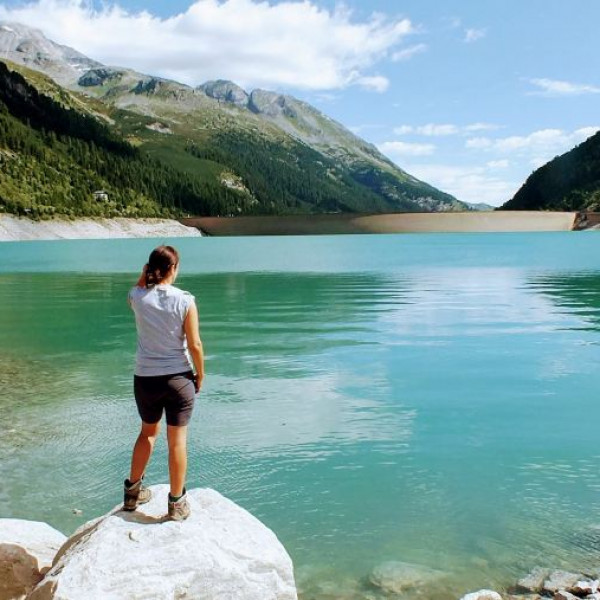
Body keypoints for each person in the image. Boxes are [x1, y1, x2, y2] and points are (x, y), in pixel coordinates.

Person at [123, 245, 204, 521]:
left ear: (149, 268)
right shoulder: (185, 300)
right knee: (177, 441)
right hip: (178, 379)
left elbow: (136, 291)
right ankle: (177, 503)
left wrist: (144, 275)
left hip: (145, 379)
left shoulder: (137, 296)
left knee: (147, 433)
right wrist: (200, 374)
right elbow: (194, 344)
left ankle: (132, 495)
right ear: (174, 268)